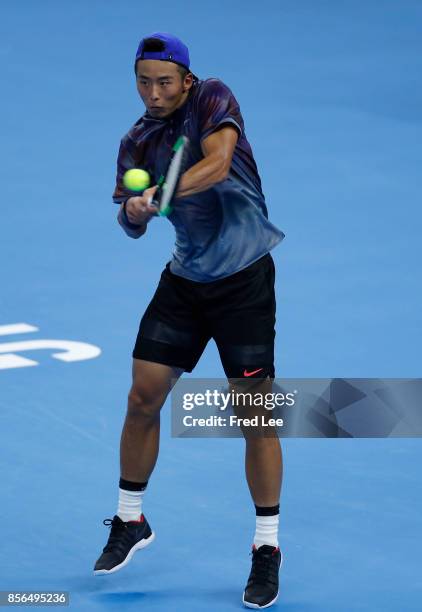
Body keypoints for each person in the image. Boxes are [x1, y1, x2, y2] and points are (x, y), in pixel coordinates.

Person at [94, 32, 285, 609]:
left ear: (186, 79)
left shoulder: (213, 100)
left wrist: (161, 190)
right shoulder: (137, 140)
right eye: (143, 82)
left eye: (164, 82)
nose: (154, 93)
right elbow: (132, 225)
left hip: (244, 282)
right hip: (185, 282)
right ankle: (131, 520)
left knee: (255, 417)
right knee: (142, 397)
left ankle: (267, 548)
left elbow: (220, 164)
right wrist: (133, 209)